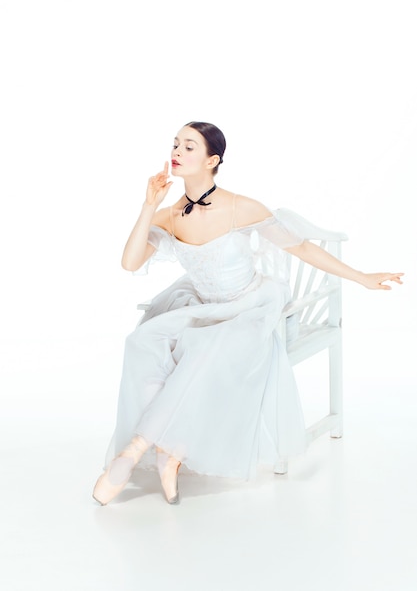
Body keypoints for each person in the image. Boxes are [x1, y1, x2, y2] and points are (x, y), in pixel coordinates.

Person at [93, 121, 403, 506]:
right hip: (203, 305)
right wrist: (148, 206)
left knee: (205, 352)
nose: (177, 151)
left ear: (213, 159)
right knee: (142, 341)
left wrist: (361, 278)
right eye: (175, 144)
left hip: (250, 307)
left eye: (189, 146)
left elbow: (302, 248)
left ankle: (136, 450)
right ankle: (169, 450)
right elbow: (129, 262)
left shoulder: (241, 206)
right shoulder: (170, 214)